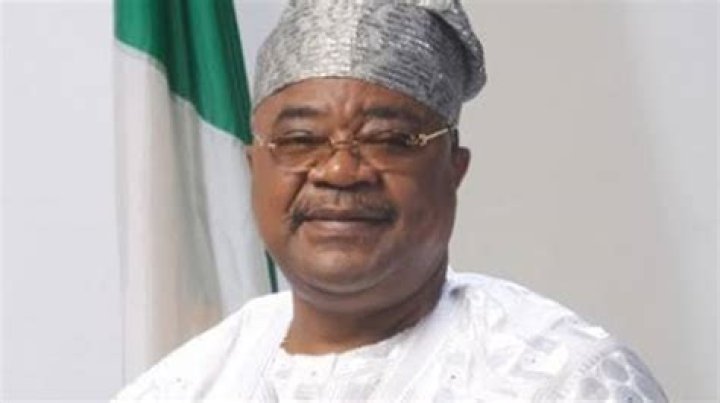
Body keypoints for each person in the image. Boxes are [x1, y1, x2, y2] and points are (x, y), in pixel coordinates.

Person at [113, 0, 667, 401]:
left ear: (453, 169)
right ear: (254, 167)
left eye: (389, 140)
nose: (339, 171)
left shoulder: (565, 380)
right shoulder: (183, 388)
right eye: (301, 139)